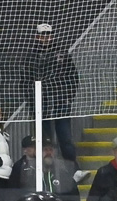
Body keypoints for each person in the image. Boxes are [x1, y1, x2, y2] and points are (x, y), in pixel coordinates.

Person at [23, 22, 80, 160]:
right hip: (41, 103)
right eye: (43, 35)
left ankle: (72, 168)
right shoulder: (31, 56)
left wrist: (68, 97)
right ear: (37, 37)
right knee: (44, 140)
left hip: (60, 101)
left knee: (65, 137)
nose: (46, 38)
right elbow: (25, 81)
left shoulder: (61, 53)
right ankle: (46, 171)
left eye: (48, 35)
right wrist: (32, 103)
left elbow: (73, 76)